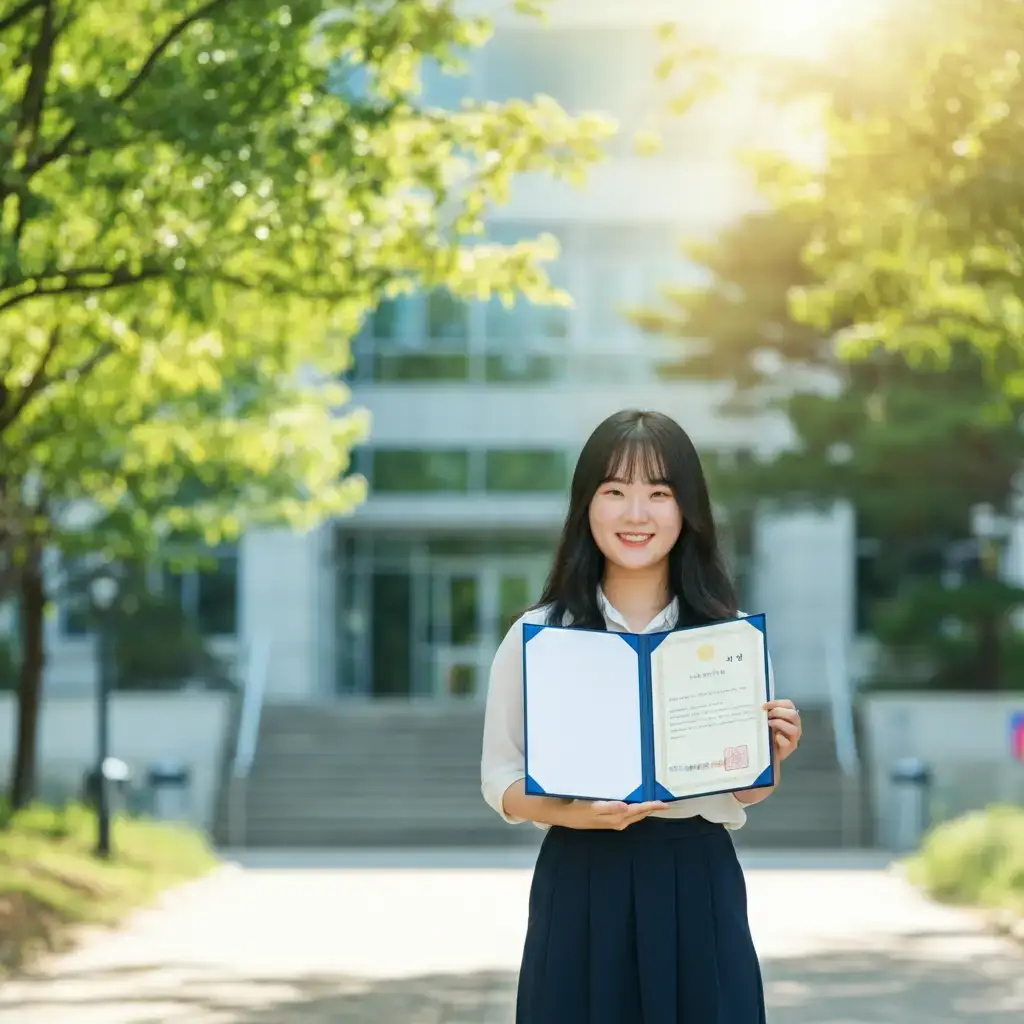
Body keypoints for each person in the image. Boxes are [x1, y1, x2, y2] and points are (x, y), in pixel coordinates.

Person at [480, 409, 803, 1024]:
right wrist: (576, 815)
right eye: (615, 492)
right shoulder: (541, 635)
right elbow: (501, 778)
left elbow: (747, 790)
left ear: (687, 511)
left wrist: (771, 753)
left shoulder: (725, 638)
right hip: (583, 878)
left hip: (696, 878)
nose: (637, 514)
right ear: (586, 506)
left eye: (660, 492)